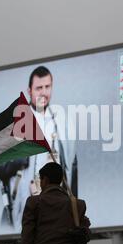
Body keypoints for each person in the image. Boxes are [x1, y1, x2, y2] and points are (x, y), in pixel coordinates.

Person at [10, 66, 78, 231]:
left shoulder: (61, 123)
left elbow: (71, 168)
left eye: (47, 87)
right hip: (25, 204)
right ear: (29, 91)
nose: (44, 92)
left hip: (55, 206)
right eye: (39, 88)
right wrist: (19, 158)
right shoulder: (18, 123)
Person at [18, 162, 90, 244]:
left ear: (45, 180)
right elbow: (85, 234)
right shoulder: (77, 205)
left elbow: (27, 239)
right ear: (60, 180)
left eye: (40, 181)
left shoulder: (34, 203)